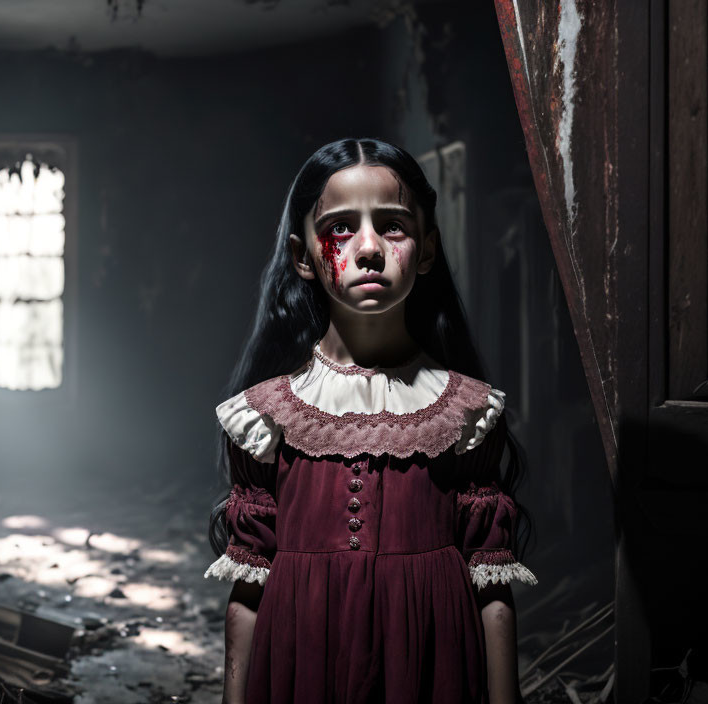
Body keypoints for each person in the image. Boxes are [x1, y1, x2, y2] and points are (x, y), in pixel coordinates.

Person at [203, 137, 536, 704]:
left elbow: (493, 587)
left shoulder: (466, 411)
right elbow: (247, 592)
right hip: (301, 661)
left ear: (427, 249)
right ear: (303, 256)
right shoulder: (265, 416)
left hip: (433, 665)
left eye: (393, 226)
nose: (369, 248)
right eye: (339, 229)